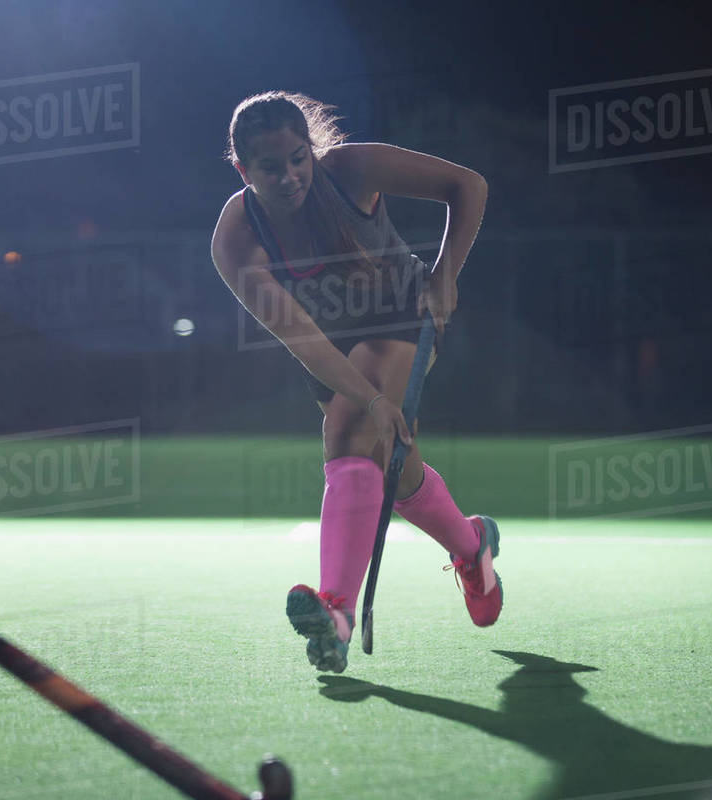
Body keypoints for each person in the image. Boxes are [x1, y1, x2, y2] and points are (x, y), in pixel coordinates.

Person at [211, 91, 499, 674]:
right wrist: (368, 395)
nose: (290, 176)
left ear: (311, 150)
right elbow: (298, 333)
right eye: (270, 167)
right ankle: (473, 549)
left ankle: (335, 611)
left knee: (347, 436)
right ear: (243, 170)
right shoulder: (236, 237)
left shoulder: (351, 169)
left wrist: (445, 276)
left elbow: (469, 186)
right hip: (328, 349)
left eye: (299, 158)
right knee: (393, 464)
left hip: (403, 313)